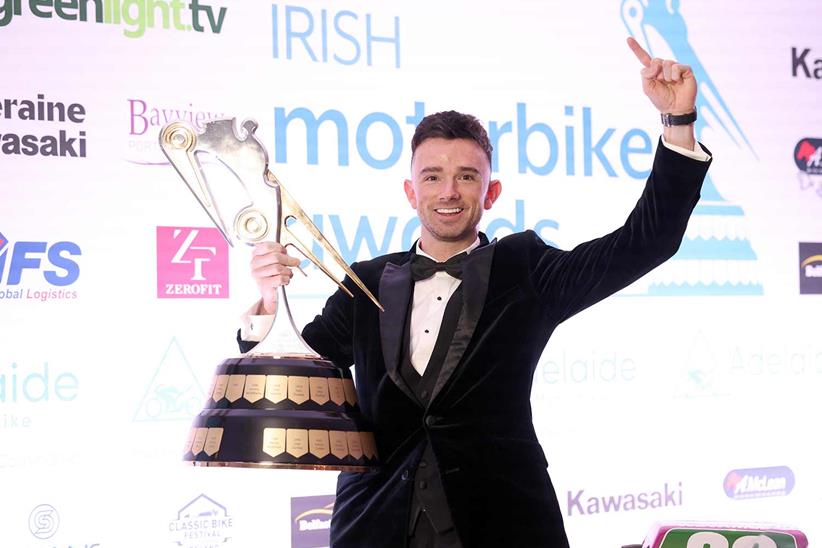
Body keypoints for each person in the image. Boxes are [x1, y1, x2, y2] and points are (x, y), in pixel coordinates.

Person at [238, 38, 711, 547]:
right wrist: (268, 302)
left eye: (466, 177)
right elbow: (294, 377)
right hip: (374, 526)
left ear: (490, 192)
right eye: (433, 176)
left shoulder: (525, 268)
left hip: (503, 522)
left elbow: (645, 242)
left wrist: (678, 122)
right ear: (410, 191)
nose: (448, 192)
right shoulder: (364, 281)